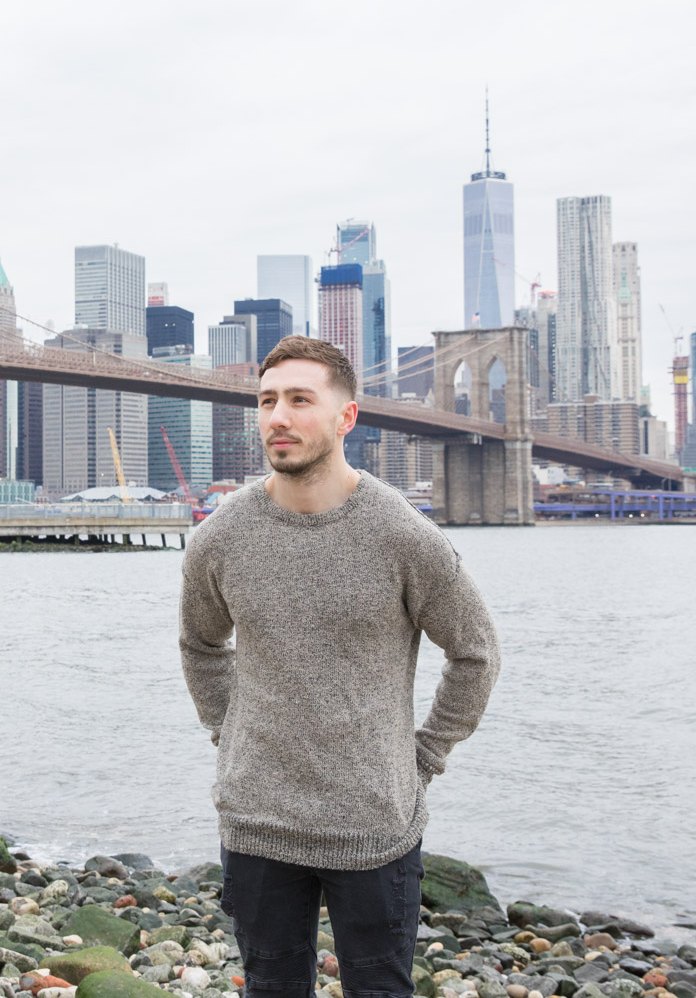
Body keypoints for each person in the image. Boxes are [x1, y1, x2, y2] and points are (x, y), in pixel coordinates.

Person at [179, 335, 502, 998]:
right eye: (267, 401)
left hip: (374, 825)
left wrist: (422, 758)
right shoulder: (219, 539)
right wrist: (228, 733)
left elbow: (477, 654)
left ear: (345, 417)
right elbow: (201, 645)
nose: (278, 417)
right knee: (270, 989)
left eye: (300, 400)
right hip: (256, 821)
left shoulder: (404, 537)